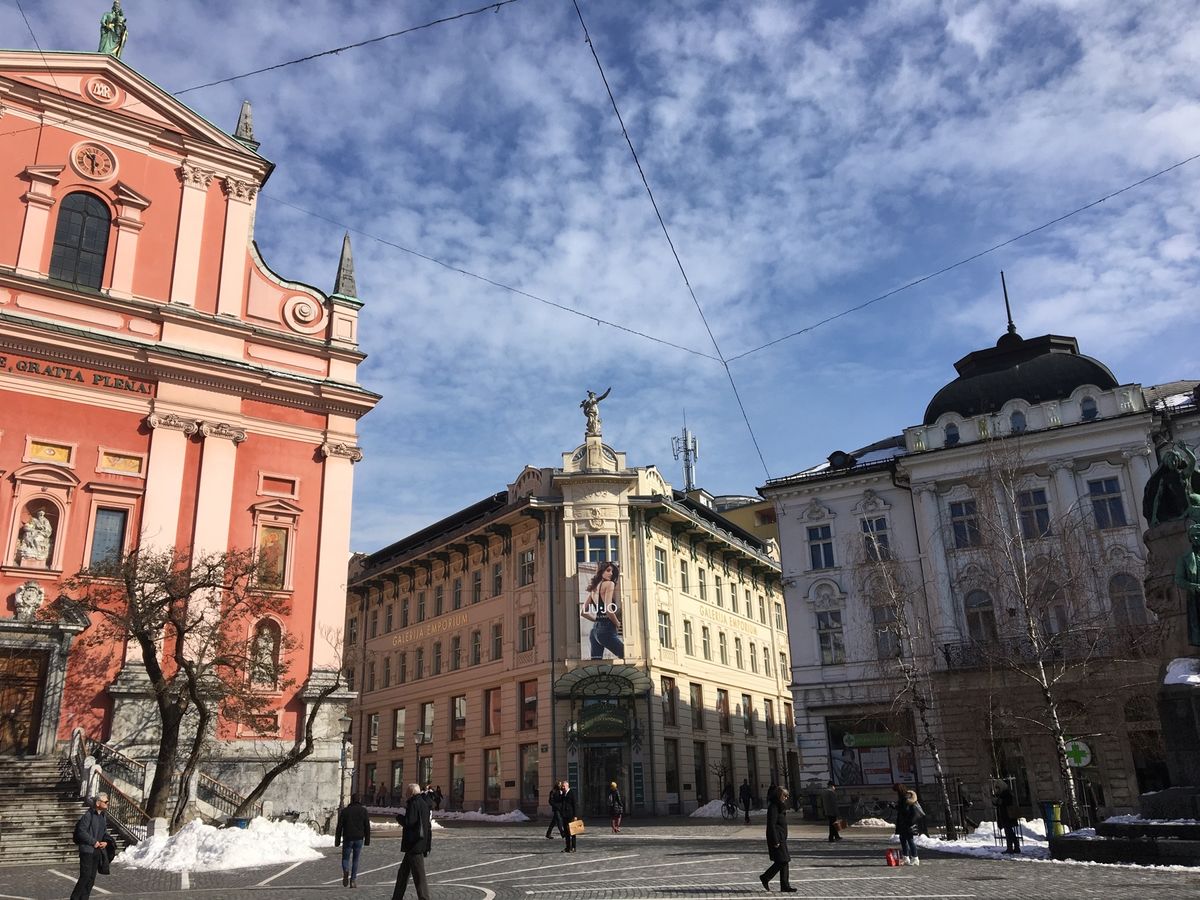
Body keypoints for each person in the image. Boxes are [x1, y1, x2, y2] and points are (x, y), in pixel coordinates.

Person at [392, 783, 432, 900]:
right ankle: (396, 897)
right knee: (403, 874)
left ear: (411, 793)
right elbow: (428, 827)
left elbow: (409, 822)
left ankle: (424, 898)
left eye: (407, 793)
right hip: (417, 844)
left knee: (419, 876)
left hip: (414, 845)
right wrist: (427, 845)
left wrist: (399, 818)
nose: (405, 795)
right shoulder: (424, 804)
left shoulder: (414, 804)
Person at [71, 794, 113, 900]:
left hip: (97, 851)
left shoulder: (103, 816)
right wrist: (93, 841)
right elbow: (81, 832)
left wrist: (106, 842)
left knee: (91, 879)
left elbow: (104, 833)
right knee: (85, 876)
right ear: (98, 803)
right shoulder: (88, 815)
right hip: (87, 850)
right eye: (105, 802)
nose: (107, 803)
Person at [581, 562, 624, 658]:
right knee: (626, 655)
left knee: (596, 665)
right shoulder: (609, 584)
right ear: (601, 572)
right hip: (607, 630)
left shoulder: (594, 589)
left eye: (612, 571)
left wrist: (596, 620)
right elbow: (608, 608)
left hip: (594, 632)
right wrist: (617, 623)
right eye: (608, 570)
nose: (611, 573)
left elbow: (583, 612)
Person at [759, 787, 796, 892]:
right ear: (779, 795)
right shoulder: (774, 806)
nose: (786, 797)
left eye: (787, 796)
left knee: (784, 860)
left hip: (781, 837)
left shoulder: (779, 806)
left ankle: (785, 885)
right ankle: (766, 877)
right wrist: (775, 840)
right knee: (783, 860)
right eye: (785, 795)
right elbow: (771, 825)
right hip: (776, 838)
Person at [335, 793, 371, 888]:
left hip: (348, 837)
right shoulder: (363, 811)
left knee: (345, 858)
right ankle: (353, 880)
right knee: (356, 859)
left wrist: (337, 840)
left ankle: (346, 870)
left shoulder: (345, 811)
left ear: (351, 800)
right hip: (359, 838)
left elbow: (339, 826)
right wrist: (367, 840)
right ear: (359, 800)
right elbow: (367, 826)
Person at [896, 789, 925, 866]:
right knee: (903, 839)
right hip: (904, 824)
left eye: (907, 795)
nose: (905, 796)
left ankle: (915, 858)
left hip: (908, 825)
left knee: (910, 840)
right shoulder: (905, 803)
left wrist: (909, 823)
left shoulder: (911, 803)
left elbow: (911, 815)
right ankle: (906, 857)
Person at [994, 780, 1020, 853]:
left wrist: (999, 801)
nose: (996, 789)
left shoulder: (1006, 793)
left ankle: (1011, 847)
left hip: (1008, 816)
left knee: (1009, 832)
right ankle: (1014, 847)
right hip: (1004, 816)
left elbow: (1007, 802)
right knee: (1009, 832)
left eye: (997, 787)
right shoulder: (1001, 794)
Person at [560, 779, 578, 852]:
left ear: (567, 786)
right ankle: (567, 847)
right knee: (567, 833)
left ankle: (573, 847)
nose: (563, 788)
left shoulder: (571, 793)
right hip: (565, 815)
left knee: (573, 832)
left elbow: (574, 805)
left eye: (564, 786)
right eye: (562, 786)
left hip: (571, 815)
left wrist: (575, 816)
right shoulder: (563, 794)